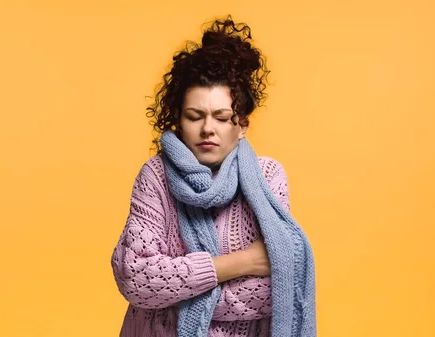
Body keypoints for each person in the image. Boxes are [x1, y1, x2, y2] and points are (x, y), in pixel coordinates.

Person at [111, 15, 316, 337]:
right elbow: (136, 278)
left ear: (242, 125)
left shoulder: (267, 176)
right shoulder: (156, 176)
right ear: (178, 120)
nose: (208, 128)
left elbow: (275, 290)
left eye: (222, 117)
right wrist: (244, 262)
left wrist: (173, 292)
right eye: (195, 116)